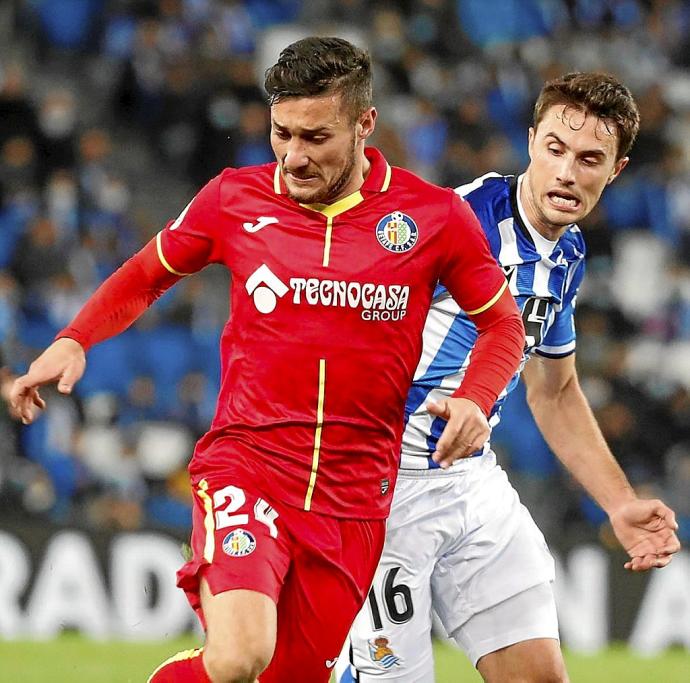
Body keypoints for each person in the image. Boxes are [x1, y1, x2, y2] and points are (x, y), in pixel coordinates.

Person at [9, 37, 526, 683]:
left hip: (354, 498)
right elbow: (147, 273)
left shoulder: (434, 217)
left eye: (316, 137)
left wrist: (477, 396)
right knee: (238, 656)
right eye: (281, 133)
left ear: (365, 124)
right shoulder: (234, 198)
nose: (294, 156)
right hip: (248, 466)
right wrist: (74, 337)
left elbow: (503, 322)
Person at [338, 72, 681, 683]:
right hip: (379, 489)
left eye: (589, 159)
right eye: (555, 149)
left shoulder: (566, 254)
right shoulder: (452, 222)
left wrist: (619, 503)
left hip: (471, 484)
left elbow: (553, 390)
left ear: (616, 170)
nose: (567, 173)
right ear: (530, 142)